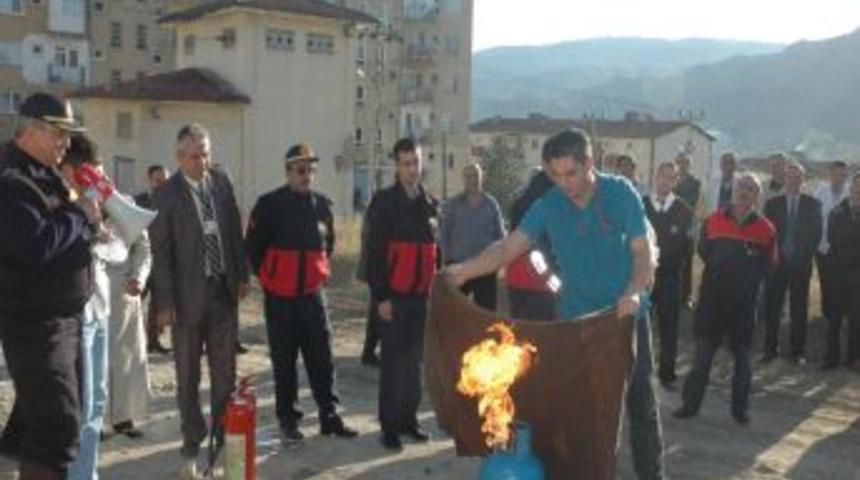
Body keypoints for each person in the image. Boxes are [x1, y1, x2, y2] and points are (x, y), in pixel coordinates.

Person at [447, 129, 667, 480]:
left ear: (589, 163)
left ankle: (652, 476)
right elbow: (508, 247)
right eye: (556, 175)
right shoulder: (549, 205)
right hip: (575, 322)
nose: (565, 183)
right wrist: (462, 271)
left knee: (640, 406)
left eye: (571, 173)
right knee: (577, 408)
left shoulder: (620, 194)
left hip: (625, 317)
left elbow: (644, 255)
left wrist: (634, 291)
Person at [0, 92, 95, 480]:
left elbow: (63, 232)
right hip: (36, 323)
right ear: (33, 130)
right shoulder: (11, 179)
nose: (66, 144)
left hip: (65, 317)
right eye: (60, 134)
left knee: (49, 420)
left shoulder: (45, 174)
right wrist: (79, 214)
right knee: (57, 428)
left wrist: (88, 226)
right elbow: (33, 244)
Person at [148, 123, 249, 478]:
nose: (203, 161)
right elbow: (161, 256)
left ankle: (220, 445)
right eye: (195, 156)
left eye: (207, 153)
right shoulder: (166, 196)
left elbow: (234, 233)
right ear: (179, 157)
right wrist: (165, 303)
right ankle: (191, 445)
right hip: (186, 300)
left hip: (222, 292)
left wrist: (242, 275)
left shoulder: (221, 183)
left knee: (225, 374)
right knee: (187, 376)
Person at [245, 143, 358, 442]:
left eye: (310, 169)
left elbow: (328, 246)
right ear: (288, 172)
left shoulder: (323, 207)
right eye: (300, 169)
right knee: (285, 363)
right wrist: (271, 278)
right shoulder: (268, 205)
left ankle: (329, 417)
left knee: (322, 358)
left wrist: (314, 274)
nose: (306, 175)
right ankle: (289, 420)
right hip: (280, 300)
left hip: (312, 297)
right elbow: (253, 250)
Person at [674, 173, 777, 424]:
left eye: (751, 189)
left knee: (742, 360)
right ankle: (690, 406)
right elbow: (703, 250)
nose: (745, 192)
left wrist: (749, 284)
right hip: (712, 301)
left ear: (757, 196)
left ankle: (739, 411)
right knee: (702, 357)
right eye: (741, 187)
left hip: (743, 306)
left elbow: (770, 265)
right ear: (733, 191)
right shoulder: (713, 220)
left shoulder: (766, 229)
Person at [58, 135, 129, 480]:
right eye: (92, 175)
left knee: (97, 402)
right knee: (81, 406)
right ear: (73, 171)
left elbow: (119, 254)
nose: (98, 182)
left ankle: (87, 473)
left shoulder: (92, 204)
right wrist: (86, 223)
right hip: (76, 316)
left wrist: (101, 228)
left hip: (99, 309)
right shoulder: (57, 201)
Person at [366, 138, 439, 451]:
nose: (412, 169)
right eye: (406, 163)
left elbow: (437, 253)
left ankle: (409, 421)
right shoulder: (383, 202)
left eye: (416, 162)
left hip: (421, 300)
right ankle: (390, 428)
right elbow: (374, 253)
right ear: (396, 165)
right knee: (394, 366)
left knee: (415, 365)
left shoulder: (432, 203)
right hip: (393, 298)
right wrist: (381, 296)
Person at [761, 162, 822, 365]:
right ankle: (770, 348)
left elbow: (816, 235)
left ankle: (797, 351)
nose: (793, 181)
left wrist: (803, 256)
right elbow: (767, 235)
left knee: (799, 309)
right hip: (777, 264)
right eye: (790, 177)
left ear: (803, 180)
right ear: (784, 179)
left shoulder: (813, 204)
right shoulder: (772, 204)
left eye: (797, 178)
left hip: (801, 264)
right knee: (773, 308)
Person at [644, 161, 693, 388]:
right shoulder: (641, 205)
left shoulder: (683, 209)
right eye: (662, 176)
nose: (665, 181)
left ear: (676, 181)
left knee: (669, 329)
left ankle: (667, 375)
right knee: (639, 327)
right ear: (655, 177)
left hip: (670, 278)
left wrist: (687, 290)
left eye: (670, 177)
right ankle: (638, 375)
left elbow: (687, 253)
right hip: (643, 278)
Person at [105, 213, 152, 439]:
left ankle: (124, 418)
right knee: (93, 362)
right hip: (87, 293)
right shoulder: (74, 203)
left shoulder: (124, 207)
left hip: (123, 293)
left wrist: (138, 278)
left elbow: (143, 248)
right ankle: (97, 421)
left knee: (126, 358)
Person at [439, 163, 505, 310]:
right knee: (455, 311)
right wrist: (444, 262)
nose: (472, 179)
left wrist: (500, 264)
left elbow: (500, 235)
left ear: (482, 177)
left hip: (485, 269)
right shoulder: (453, 204)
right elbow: (444, 234)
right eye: (468, 176)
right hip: (458, 267)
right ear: (463, 179)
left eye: (476, 175)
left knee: (486, 314)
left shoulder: (491, 204)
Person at [505, 151, 559, 321]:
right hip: (543, 278)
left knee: (520, 331)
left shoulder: (519, 201)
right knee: (547, 331)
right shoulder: (551, 202)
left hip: (517, 273)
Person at [815, 161, 850, 369]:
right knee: (825, 284)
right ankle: (827, 316)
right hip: (822, 248)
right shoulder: (820, 192)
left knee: (841, 288)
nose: (840, 178)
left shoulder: (851, 193)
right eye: (836, 174)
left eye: (843, 175)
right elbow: (815, 219)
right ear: (830, 174)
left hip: (843, 254)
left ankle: (839, 316)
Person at [135, 165, 171, 355]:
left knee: (157, 304)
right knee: (135, 301)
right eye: (158, 181)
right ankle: (134, 341)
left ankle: (153, 342)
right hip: (140, 260)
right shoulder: (138, 200)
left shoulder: (174, 202)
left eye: (165, 181)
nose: (162, 185)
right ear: (149, 180)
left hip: (162, 261)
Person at [825, 172, 860, 369]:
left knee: (857, 318)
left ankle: (853, 358)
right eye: (857, 185)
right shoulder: (837, 211)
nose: (859, 189)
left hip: (858, 274)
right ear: (851, 187)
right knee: (834, 316)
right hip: (838, 272)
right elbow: (833, 238)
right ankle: (832, 357)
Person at [673, 152, 702, 308]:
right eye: (679, 162)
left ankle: (686, 297)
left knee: (687, 263)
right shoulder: (671, 181)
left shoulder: (696, 183)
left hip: (687, 228)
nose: (682, 165)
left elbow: (691, 205)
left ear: (689, 165)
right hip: (669, 227)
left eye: (685, 163)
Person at [356, 208, 381, 366]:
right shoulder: (378, 209)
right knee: (377, 312)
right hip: (377, 269)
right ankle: (369, 351)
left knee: (377, 311)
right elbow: (371, 242)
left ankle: (370, 350)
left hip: (378, 269)